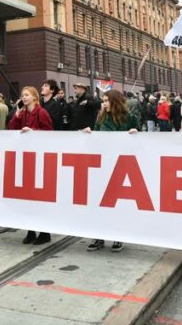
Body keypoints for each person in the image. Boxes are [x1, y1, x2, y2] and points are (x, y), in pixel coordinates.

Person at [81, 90, 139, 252]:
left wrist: (136, 134)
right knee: (99, 202)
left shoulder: (130, 118)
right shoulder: (101, 117)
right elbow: (97, 139)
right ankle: (99, 236)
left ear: (115, 102)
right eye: (103, 101)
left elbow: (141, 142)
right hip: (104, 164)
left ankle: (118, 236)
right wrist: (89, 134)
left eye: (106, 101)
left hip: (122, 165)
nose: (103, 104)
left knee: (117, 203)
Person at [8, 86, 53, 246]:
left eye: (26, 95)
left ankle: (44, 232)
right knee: (27, 196)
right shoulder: (23, 113)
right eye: (22, 95)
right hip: (26, 157)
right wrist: (17, 115)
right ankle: (31, 230)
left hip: (39, 158)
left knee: (39, 197)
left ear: (34, 97)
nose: (24, 97)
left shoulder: (41, 113)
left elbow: (49, 133)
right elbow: (12, 129)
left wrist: (33, 131)